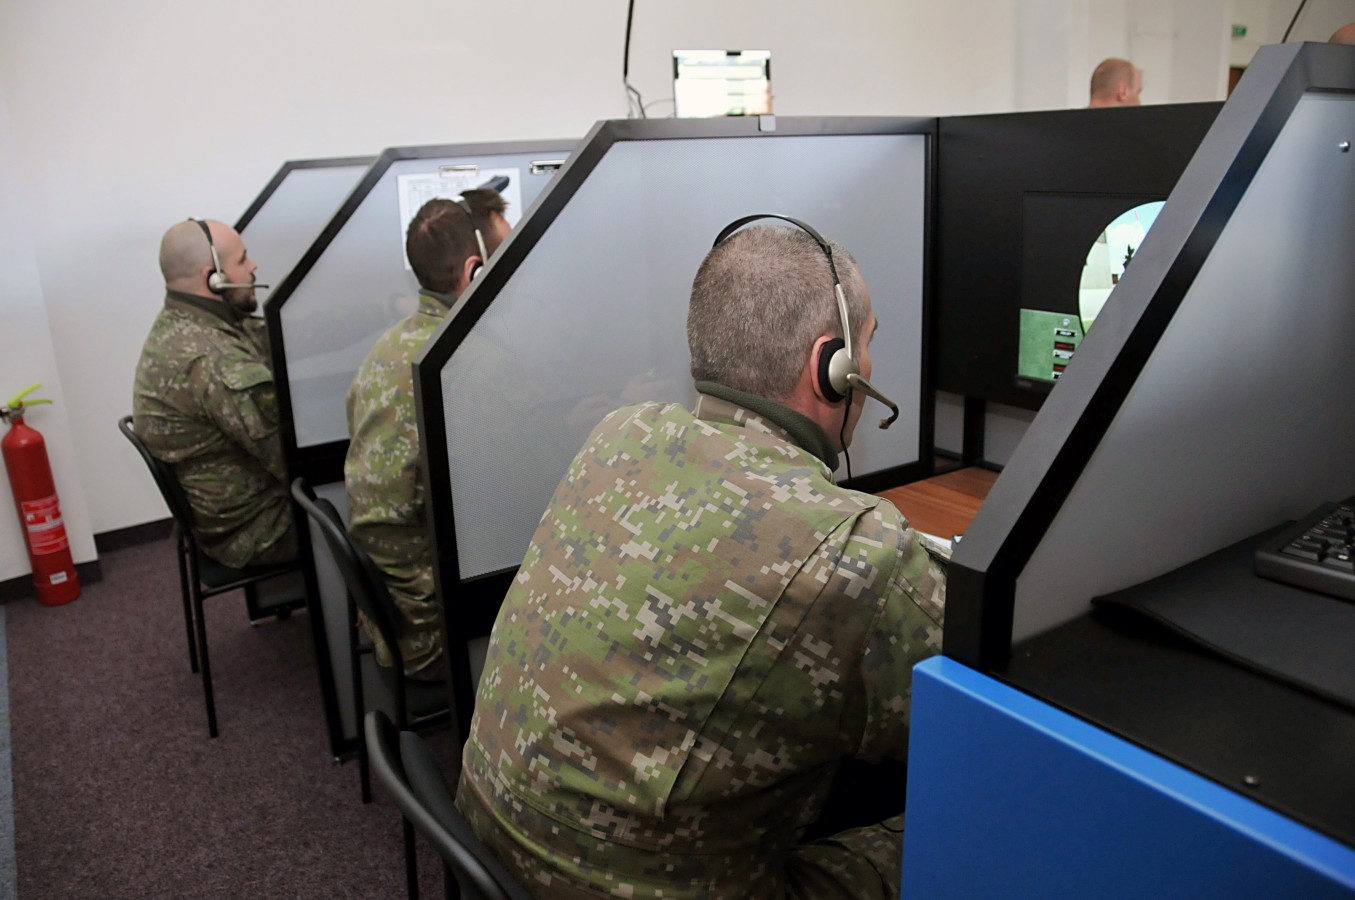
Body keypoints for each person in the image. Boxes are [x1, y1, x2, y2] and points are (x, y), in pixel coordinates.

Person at [455, 221, 947, 898]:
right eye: (867, 343)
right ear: (830, 368)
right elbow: (967, 708)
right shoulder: (853, 548)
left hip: (492, 850)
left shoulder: (621, 434)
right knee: (963, 830)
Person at [345, 190, 511, 682]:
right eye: (508, 255)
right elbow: (527, 485)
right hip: (437, 628)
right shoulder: (473, 362)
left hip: (393, 611)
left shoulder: (390, 345)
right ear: (474, 271)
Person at [133, 218, 297, 569]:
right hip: (257, 529)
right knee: (394, 512)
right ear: (213, 277)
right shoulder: (213, 360)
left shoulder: (188, 322)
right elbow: (293, 461)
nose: (253, 266)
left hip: (226, 513)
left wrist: (385, 310)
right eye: (242, 259)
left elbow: (277, 334)